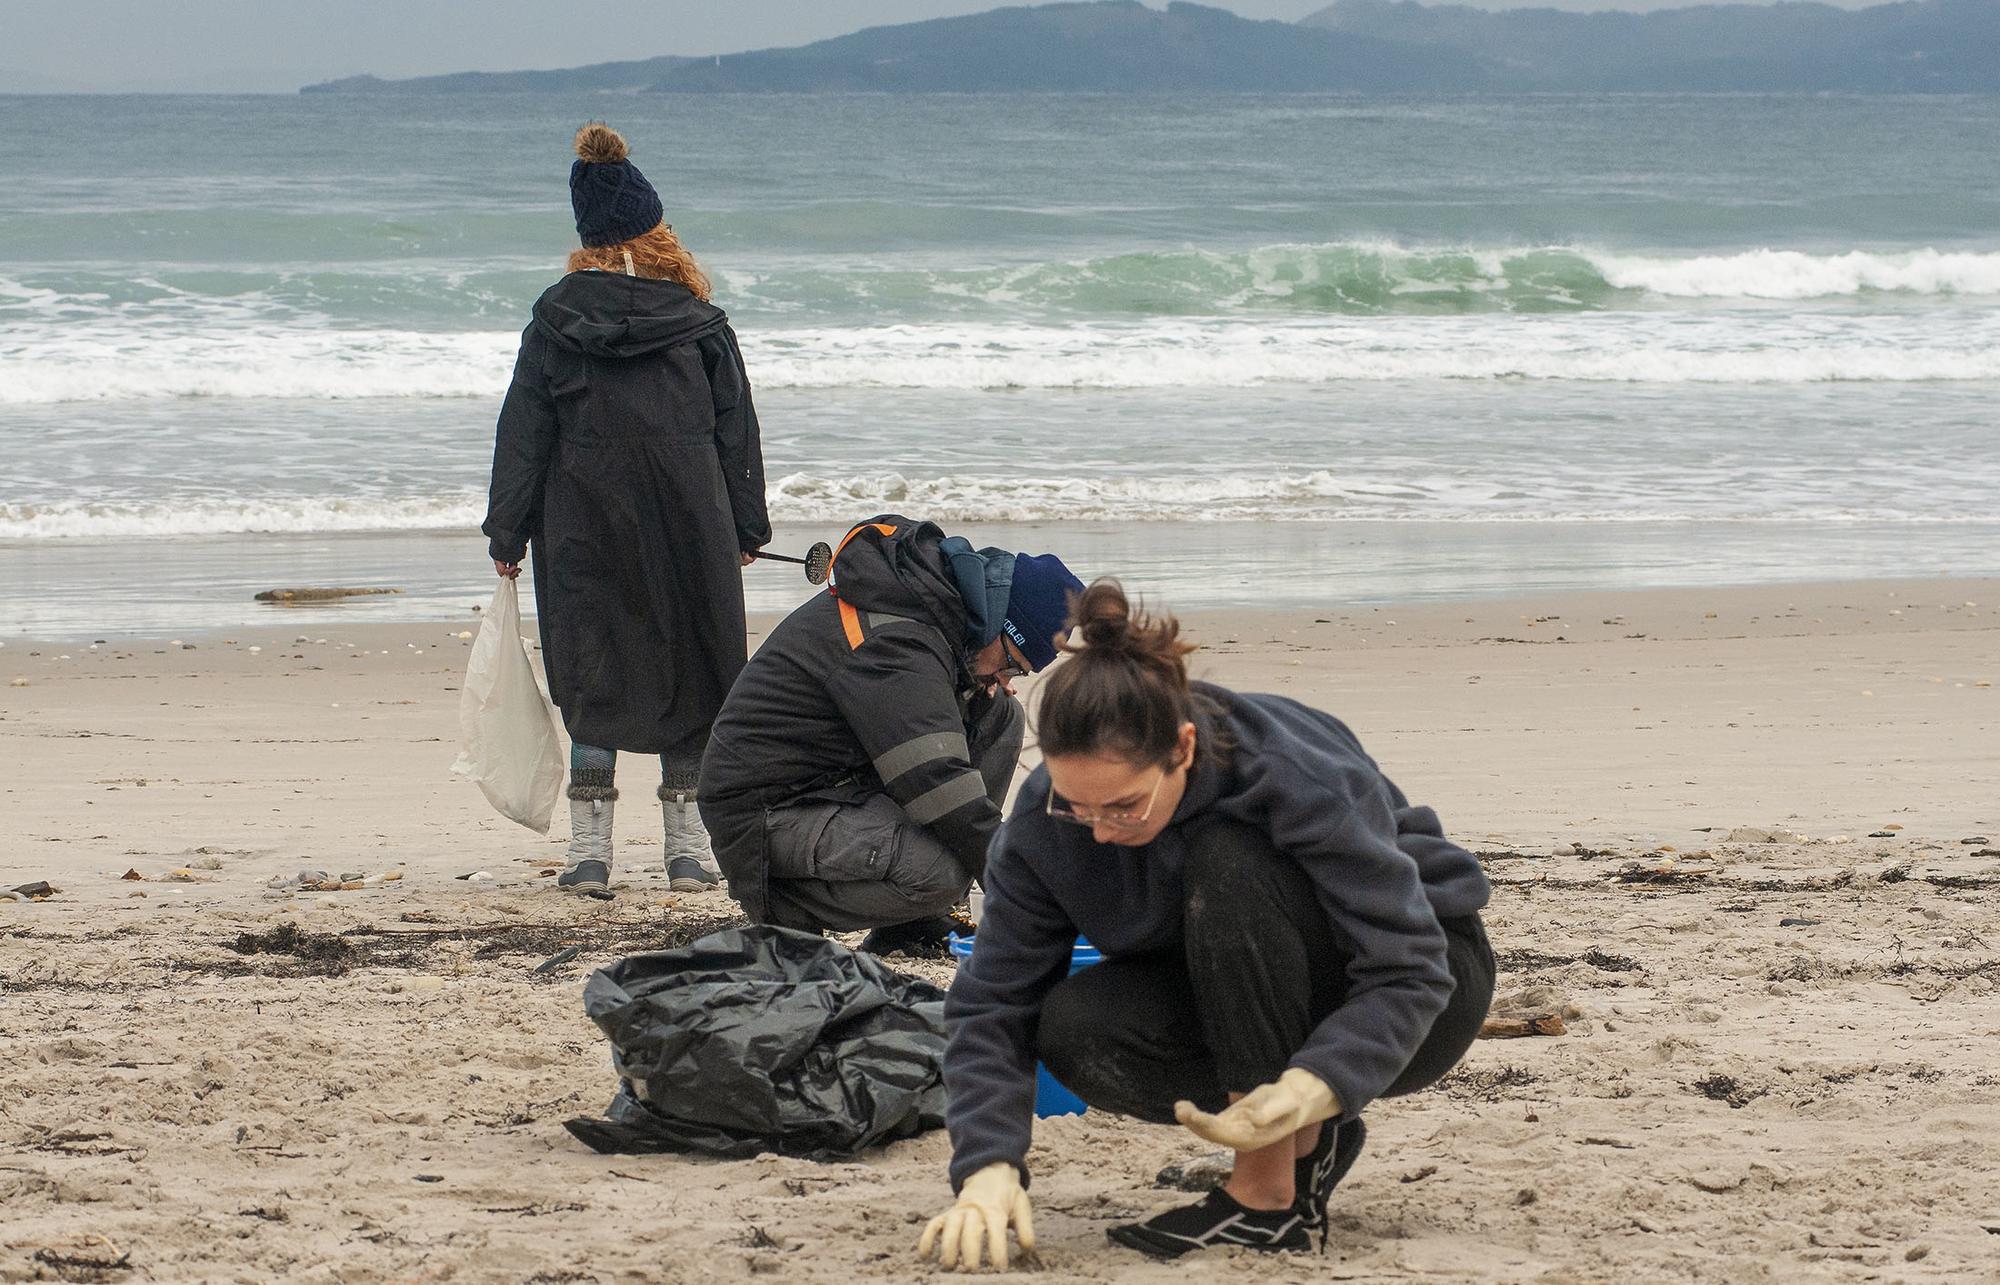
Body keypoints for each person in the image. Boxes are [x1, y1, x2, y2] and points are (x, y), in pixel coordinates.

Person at [919, 580, 1495, 1268]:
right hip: (1235, 981)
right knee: (1072, 1025)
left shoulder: (1286, 768)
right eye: (1081, 807)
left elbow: (1409, 966)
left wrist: (1319, 1081)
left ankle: (1266, 1197)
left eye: (1125, 807)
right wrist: (987, 1166)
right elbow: (991, 1005)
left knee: (1227, 859)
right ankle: (1310, 1148)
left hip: (1425, 982)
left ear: (1183, 748)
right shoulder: (1047, 826)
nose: (1100, 831)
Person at [483, 122, 769, 898]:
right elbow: (736, 431)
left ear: (586, 242)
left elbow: (524, 431)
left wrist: (505, 529)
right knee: (698, 667)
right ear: (655, 231)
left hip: (581, 522)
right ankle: (686, 853)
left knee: (593, 669)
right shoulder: (701, 324)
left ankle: (590, 854)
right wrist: (748, 525)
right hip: (691, 518)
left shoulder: (554, 322)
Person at [699, 516, 1083, 956]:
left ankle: (913, 925)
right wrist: (1021, 881)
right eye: (1012, 663)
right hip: (764, 815)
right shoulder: (898, 640)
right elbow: (937, 782)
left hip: (835, 785)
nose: (1006, 676)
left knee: (998, 714)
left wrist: (973, 684)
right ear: (1001, 625)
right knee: (941, 873)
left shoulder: (934, 610)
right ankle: (790, 913)